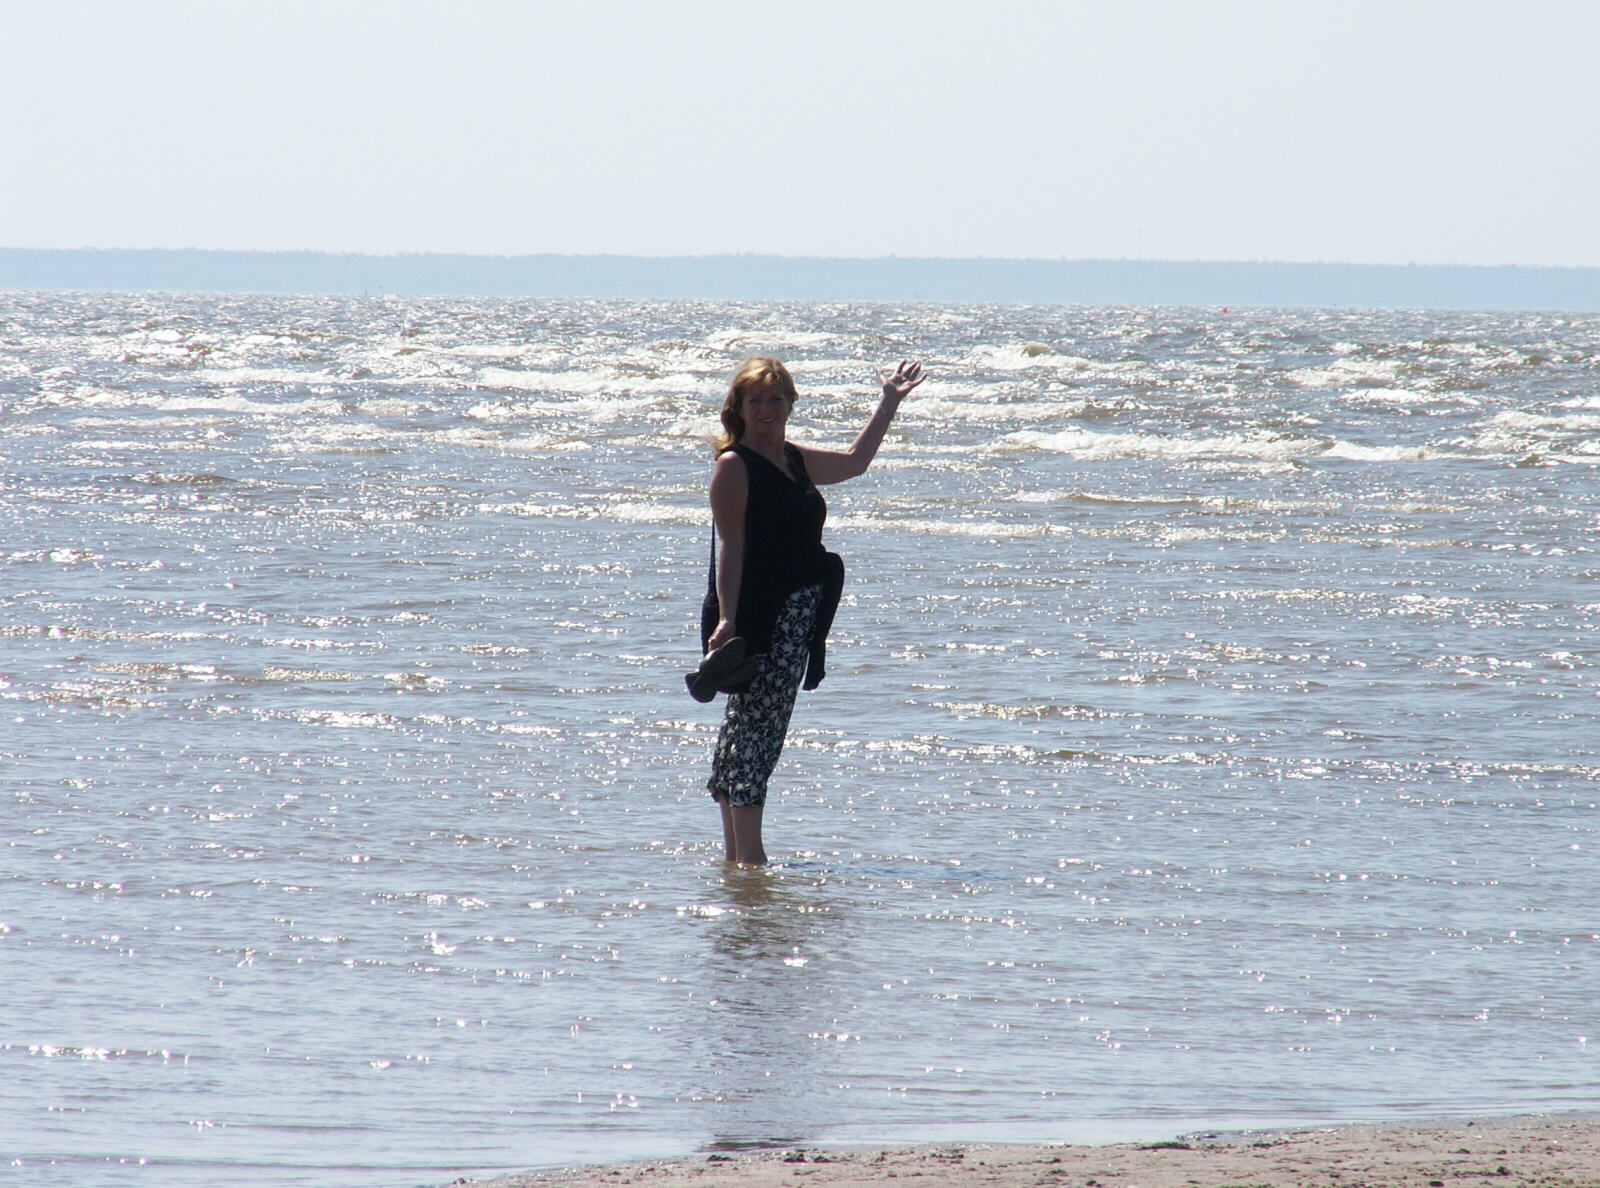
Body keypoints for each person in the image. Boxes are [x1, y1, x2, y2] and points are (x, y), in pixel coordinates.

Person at [701, 355, 926, 865]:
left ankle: (736, 862)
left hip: (797, 618)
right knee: (758, 733)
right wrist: (728, 620)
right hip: (761, 619)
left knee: (746, 728)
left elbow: (854, 462)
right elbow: (730, 550)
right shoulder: (735, 467)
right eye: (756, 400)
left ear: (791, 404)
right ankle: (750, 862)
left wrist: (888, 403)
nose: (768, 409)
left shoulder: (793, 460)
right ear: (737, 407)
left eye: (777, 398)